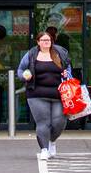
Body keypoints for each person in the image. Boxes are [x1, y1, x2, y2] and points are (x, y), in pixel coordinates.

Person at [19, 31, 69, 160]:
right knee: (43, 122)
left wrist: (66, 74)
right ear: (38, 42)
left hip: (59, 94)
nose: (46, 42)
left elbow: (68, 69)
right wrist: (25, 75)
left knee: (59, 122)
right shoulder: (31, 54)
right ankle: (44, 149)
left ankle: (52, 140)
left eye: (48, 40)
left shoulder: (60, 53)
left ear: (52, 41)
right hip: (36, 94)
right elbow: (21, 69)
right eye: (43, 40)